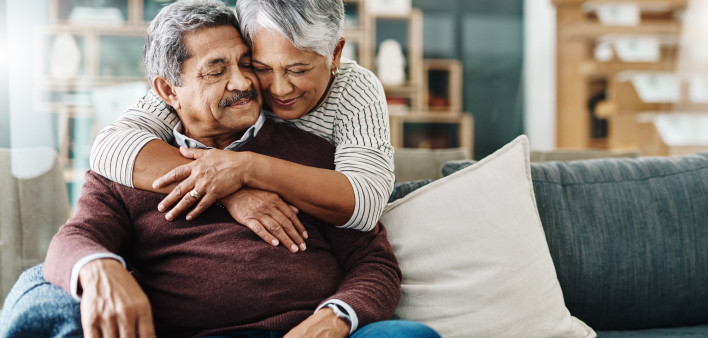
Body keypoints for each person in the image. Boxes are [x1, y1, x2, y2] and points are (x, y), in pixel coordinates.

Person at [0, 1, 439, 337]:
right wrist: (99, 268)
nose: (247, 82)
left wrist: (337, 316)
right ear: (168, 90)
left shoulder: (314, 154)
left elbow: (373, 261)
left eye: (245, 64)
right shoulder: (132, 163)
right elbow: (74, 238)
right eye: (217, 71)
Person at [90, 0, 394, 253]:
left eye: (298, 69)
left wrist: (246, 168)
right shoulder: (231, 83)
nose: (279, 89)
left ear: (336, 54)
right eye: (260, 67)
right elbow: (109, 146)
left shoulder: (354, 89)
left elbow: (366, 204)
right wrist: (229, 191)